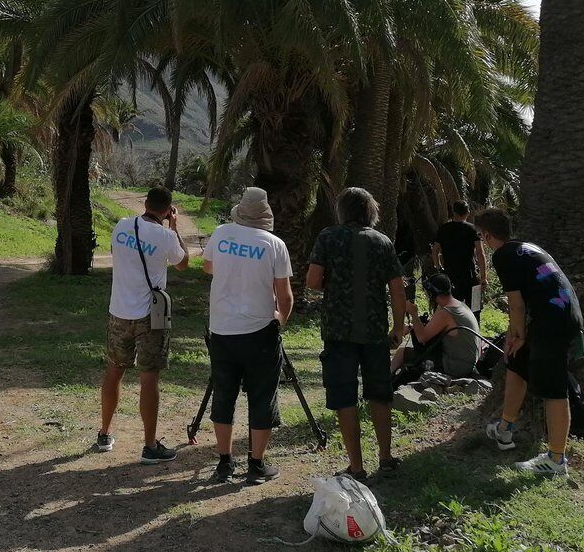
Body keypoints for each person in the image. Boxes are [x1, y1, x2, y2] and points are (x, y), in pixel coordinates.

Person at [306, 187, 408, 481]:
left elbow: (313, 280)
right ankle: (386, 456)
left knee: (344, 396)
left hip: (338, 331)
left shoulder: (328, 237)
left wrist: (336, 285)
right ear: (370, 213)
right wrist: (398, 326)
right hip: (375, 331)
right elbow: (397, 289)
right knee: (379, 393)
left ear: (342, 211)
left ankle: (357, 466)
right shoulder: (383, 241)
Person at [476, 207, 584, 477]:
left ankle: (556, 460)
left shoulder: (503, 255)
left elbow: (516, 304)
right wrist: (517, 339)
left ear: (487, 235)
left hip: (553, 323)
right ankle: (505, 430)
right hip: (556, 316)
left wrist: (518, 335)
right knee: (516, 362)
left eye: (481, 237)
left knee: (554, 389)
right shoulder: (525, 247)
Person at [201, 187, 295, 484]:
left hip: (222, 329)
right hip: (259, 332)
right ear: (265, 215)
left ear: (240, 210)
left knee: (224, 394)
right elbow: (286, 296)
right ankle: (256, 465)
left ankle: (224, 463)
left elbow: (207, 266)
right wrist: (280, 319)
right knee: (262, 396)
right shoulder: (274, 244)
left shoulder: (220, 233)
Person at [97, 187, 190, 463]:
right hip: (151, 315)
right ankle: (150, 445)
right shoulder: (166, 236)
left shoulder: (123, 225)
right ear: (167, 210)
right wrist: (175, 229)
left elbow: (116, 251)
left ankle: (104, 433)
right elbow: (183, 263)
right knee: (149, 377)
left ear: (145, 203)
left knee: (114, 370)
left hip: (119, 311)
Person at [391, 273, 482, 378]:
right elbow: (432, 327)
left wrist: (413, 313)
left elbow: (422, 338)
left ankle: (385, 381)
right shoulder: (457, 304)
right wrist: (412, 326)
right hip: (466, 363)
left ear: (432, 293)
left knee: (402, 353)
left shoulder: (446, 313)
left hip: (456, 367)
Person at [432, 201, 489, 321]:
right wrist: (484, 277)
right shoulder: (473, 229)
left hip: (450, 276)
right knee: (475, 310)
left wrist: (439, 268)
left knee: (450, 312)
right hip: (470, 276)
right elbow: (480, 253)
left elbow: (435, 251)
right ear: (468, 213)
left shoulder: (444, 229)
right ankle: (475, 335)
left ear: (453, 212)